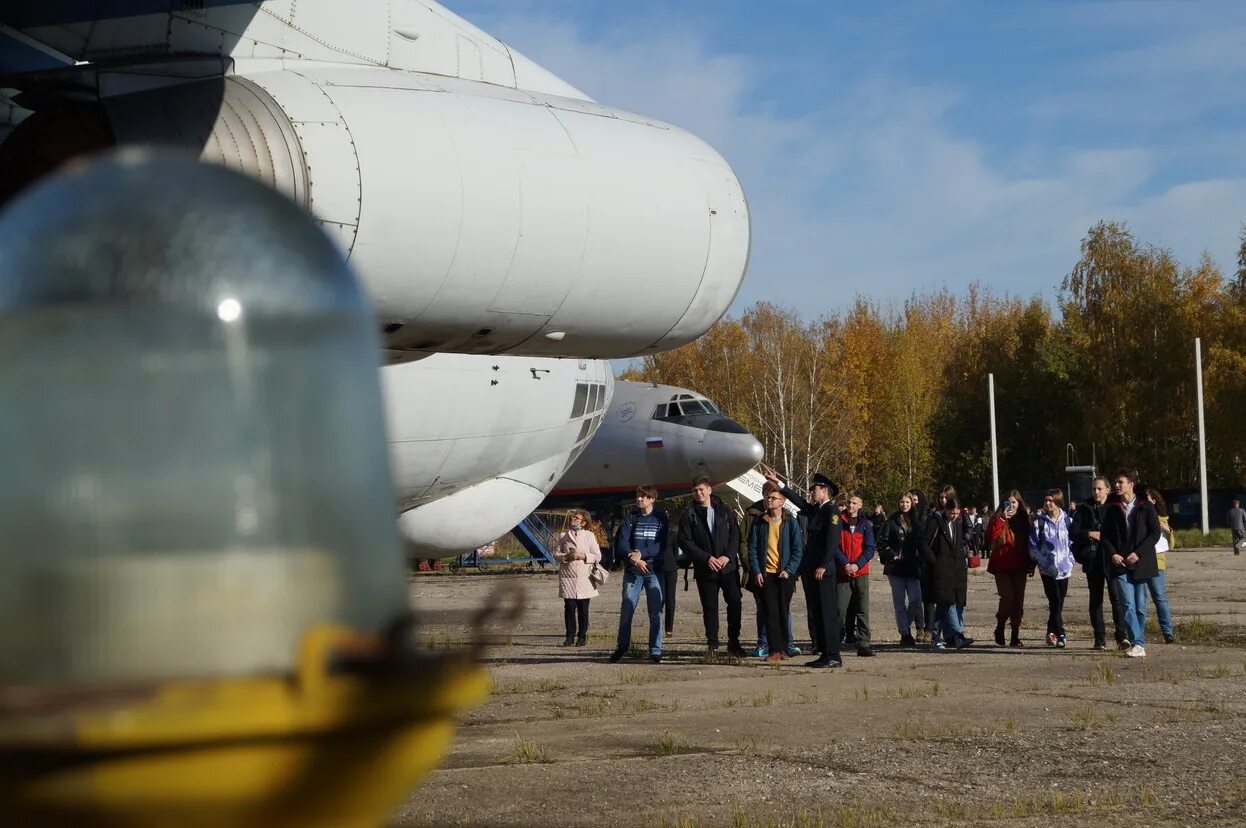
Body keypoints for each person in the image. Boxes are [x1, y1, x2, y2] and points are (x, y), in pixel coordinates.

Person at [764, 469, 842, 668]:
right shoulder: (817, 509)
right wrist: (779, 483)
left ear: (824, 490)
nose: (811, 492)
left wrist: (823, 565)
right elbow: (799, 502)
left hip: (823, 570)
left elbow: (832, 542)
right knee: (817, 612)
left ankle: (833, 655)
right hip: (813, 568)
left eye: (814, 489)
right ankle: (824, 653)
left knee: (827, 612)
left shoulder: (831, 510)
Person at [677, 477, 745, 656]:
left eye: (701, 489)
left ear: (709, 490)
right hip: (705, 569)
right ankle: (712, 644)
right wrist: (706, 558)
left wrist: (727, 556)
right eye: (695, 491)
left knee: (735, 603)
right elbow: (685, 541)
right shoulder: (689, 514)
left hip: (727, 568)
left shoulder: (724, 511)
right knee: (710, 608)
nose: (698, 493)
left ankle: (734, 642)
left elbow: (735, 535)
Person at [1101, 469, 1161, 658]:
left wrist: (1139, 553)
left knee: (1140, 607)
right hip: (1120, 565)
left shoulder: (1146, 507)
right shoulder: (1112, 508)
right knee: (1127, 604)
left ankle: (1138, 640)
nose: (1117, 485)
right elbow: (1105, 536)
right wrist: (1113, 555)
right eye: (1115, 482)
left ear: (1131, 485)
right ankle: (1138, 642)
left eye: (1120, 482)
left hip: (1141, 563)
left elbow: (1155, 534)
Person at [609, 485, 672, 663]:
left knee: (655, 612)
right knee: (627, 609)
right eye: (638, 496)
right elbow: (622, 543)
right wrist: (633, 558)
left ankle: (655, 650)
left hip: (653, 570)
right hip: (633, 571)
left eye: (643, 496)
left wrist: (641, 555)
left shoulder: (660, 518)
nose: (639, 499)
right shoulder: (631, 517)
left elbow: (660, 545)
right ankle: (622, 646)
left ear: (652, 499)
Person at [747, 486, 804, 662]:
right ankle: (774, 650)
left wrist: (789, 570)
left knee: (783, 611)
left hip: (785, 575)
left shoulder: (790, 522)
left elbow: (797, 549)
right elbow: (753, 548)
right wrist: (756, 571)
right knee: (770, 612)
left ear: (782, 501)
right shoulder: (759, 522)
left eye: (773, 497)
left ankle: (785, 648)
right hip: (767, 574)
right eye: (767, 497)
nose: (769, 500)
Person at [1071, 477, 1127, 650]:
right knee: (1096, 600)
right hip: (1093, 560)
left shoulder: (1115, 507)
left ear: (1107, 490)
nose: (1096, 492)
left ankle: (1121, 637)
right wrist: (1090, 533)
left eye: (1100, 489)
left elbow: (1122, 533)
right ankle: (1099, 639)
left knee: (1117, 599)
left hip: (1112, 560)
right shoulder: (1083, 508)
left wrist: (1119, 553)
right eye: (1094, 489)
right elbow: (1074, 532)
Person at [918, 496, 973, 650]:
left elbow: (958, 546)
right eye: (951, 513)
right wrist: (934, 561)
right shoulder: (935, 521)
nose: (954, 516)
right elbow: (923, 543)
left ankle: (935, 637)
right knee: (947, 602)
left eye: (956, 513)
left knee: (944, 605)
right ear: (946, 510)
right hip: (939, 570)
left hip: (954, 570)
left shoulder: (956, 524)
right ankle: (958, 635)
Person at [1029, 489, 1074, 648]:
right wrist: (1042, 562)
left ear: (1058, 502)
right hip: (1047, 570)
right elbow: (1033, 546)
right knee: (1054, 600)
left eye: (1051, 501)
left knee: (1058, 603)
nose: (1048, 503)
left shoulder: (1068, 520)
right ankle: (1061, 633)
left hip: (1064, 569)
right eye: (1046, 500)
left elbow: (1073, 543)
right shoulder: (1039, 522)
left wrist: (1070, 560)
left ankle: (1050, 631)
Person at [877, 492, 924, 647]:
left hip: (912, 566)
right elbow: (881, 543)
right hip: (895, 567)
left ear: (912, 504)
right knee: (899, 602)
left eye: (907, 502)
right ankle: (905, 633)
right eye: (902, 502)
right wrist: (892, 555)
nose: (904, 505)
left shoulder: (917, 522)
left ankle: (905, 624)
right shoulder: (891, 521)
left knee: (916, 599)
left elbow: (922, 543)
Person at [986, 491, 1032, 648]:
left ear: (1019, 504)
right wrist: (1001, 519)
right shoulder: (998, 518)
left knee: (1018, 602)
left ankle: (1015, 636)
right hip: (1002, 566)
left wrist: (1031, 564)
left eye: (1014, 502)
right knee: (1008, 598)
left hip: (1020, 566)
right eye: (1009, 502)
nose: (1011, 505)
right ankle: (1000, 626)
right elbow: (991, 537)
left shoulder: (1024, 520)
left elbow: (1030, 543)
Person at [553, 509, 602, 646]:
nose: (573, 519)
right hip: (568, 576)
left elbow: (597, 555)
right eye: (573, 517)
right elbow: (556, 554)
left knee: (583, 609)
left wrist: (582, 556)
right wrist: (566, 557)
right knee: (569, 607)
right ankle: (569, 636)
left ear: (584, 522)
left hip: (584, 577)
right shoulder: (564, 535)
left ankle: (582, 636)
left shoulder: (589, 536)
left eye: (577, 518)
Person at [835, 492, 875, 657]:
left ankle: (864, 643)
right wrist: (845, 564)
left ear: (860, 506)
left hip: (861, 573)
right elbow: (834, 547)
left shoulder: (866, 525)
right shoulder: (838, 523)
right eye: (849, 503)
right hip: (843, 572)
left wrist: (857, 565)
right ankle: (835, 642)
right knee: (839, 609)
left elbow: (869, 549)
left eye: (854, 503)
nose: (850, 506)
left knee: (862, 609)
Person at [1144, 487, 1176, 644]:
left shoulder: (1162, 519)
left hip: (1157, 561)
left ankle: (1168, 632)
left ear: (1154, 500)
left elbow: (1172, 544)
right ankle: (1137, 634)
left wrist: (1168, 530)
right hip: (1141, 560)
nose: (1145, 501)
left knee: (1159, 597)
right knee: (1139, 600)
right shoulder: (1138, 516)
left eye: (1148, 498)